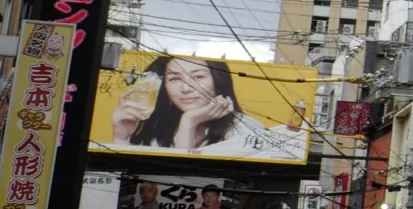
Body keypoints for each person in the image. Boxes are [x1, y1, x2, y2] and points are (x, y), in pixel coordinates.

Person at [108, 54, 303, 158]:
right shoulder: (155, 128)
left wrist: (189, 122)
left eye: (198, 77)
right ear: (163, 86)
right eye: (175, 78)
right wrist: (121, 138)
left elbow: (185, 176)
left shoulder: (246, 129)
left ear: (217, 81)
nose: (186, 88)